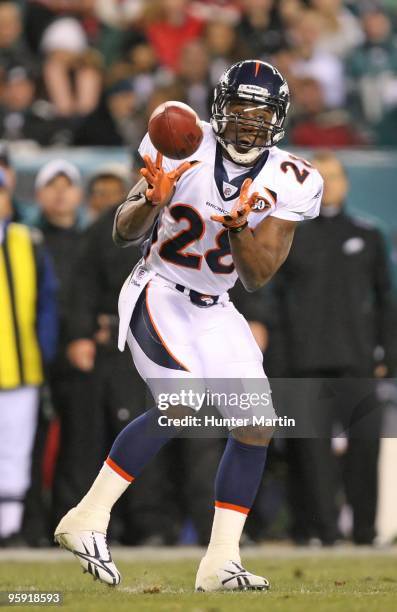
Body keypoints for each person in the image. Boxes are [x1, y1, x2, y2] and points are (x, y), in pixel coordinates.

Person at [54, 59, 323, 591]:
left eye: (260, 113)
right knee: (184, 405)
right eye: (240, 110)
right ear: (219, 108)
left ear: (279, 119)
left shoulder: (293, 178)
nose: (249, 123)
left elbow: (258, 276)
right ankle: (86, 516)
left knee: (255, 422)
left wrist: (242, 227)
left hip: (218, 305)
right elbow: (121, 230)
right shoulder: (178, 136)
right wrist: (150, 203)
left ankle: (221, 562)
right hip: (159, 288)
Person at [272, 151, 393, 546]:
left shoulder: (368, 234)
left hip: (359, 362)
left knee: (365, 451)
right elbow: (273, 301)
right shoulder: (289, 235)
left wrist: (386, 357)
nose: (329, 184)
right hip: (305, 365)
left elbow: (386, 300)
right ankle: (325, 535)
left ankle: (365, 534)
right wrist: (281, 363)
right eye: (320, 176)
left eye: (335, 176)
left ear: (346, 182)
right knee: (312, 457)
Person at [0, 168, 58, 545]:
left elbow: (48, 302)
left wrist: (46, 350)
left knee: (15, 452)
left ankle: (9, 528)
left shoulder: (27, 241)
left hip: (22, 368)